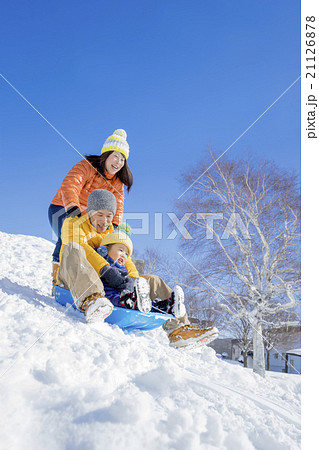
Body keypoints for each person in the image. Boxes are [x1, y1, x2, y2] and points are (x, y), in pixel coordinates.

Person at [56, 189, 219, 348]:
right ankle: (93, 301)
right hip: (73, 278)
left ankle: (179, 329)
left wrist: (131, 279)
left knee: (153, 281)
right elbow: (84, 248)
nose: (105, 221)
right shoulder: (73, 223)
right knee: (73, 248)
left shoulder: (110, 231)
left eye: (109, 216)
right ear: (89, 212)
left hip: (106, 282)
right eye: (100, 215)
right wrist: (106, 270)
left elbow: (127, 260)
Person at [95, 230, 220, 349]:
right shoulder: (104, 266)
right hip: (116, 298)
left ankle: (168, 307)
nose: (123, 255)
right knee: (129, 300)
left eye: (126, 254)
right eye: (120, 250)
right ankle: (146, 304)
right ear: (105, 250)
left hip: (129, 296)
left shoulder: (125, 269)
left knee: (148, 302)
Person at [48, 129, 133, 291]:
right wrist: (73, 206)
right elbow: (71, 184)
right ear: (106, 155)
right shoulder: (87, 166)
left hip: (89, 218)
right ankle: (57, 280)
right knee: (68, 235)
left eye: (123, 159)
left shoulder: (117, 183)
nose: (118, 162)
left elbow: (118, 205)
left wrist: (114, 226)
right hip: (62, 207)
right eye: (116, 156)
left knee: (97, 245)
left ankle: (101, 283)